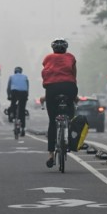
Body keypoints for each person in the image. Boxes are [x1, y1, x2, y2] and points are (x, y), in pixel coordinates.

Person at [41, 37, 78, 168]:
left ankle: (51, 154)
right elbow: (74, 76)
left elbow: (46, 74)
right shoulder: (71, 57)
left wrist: (46, 93)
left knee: (52, 121)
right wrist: (75, 96)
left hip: (51, 89)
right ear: (66, 49)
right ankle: (69, 132)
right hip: (69, 87)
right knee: (71, 113)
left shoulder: (47, 58)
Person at [6, 67, 29, 136]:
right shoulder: (25, 77)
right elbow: (27, 87)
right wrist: (26, 96)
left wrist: (8, 95)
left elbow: (8, 87)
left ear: (14, 71)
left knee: (13, 105)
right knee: (22, 110)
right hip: (23, 93)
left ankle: (12, 115)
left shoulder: (11, 77)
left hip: (14, 92)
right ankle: (23, 128)